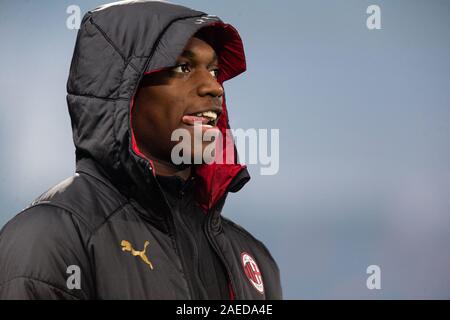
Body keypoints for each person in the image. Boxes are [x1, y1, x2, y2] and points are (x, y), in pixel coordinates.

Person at [0, 0, 282, 300]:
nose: (214, 88)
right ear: (120, 92)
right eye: (182, 67)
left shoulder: (253, 260)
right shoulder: (50, 237)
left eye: (213, 71)